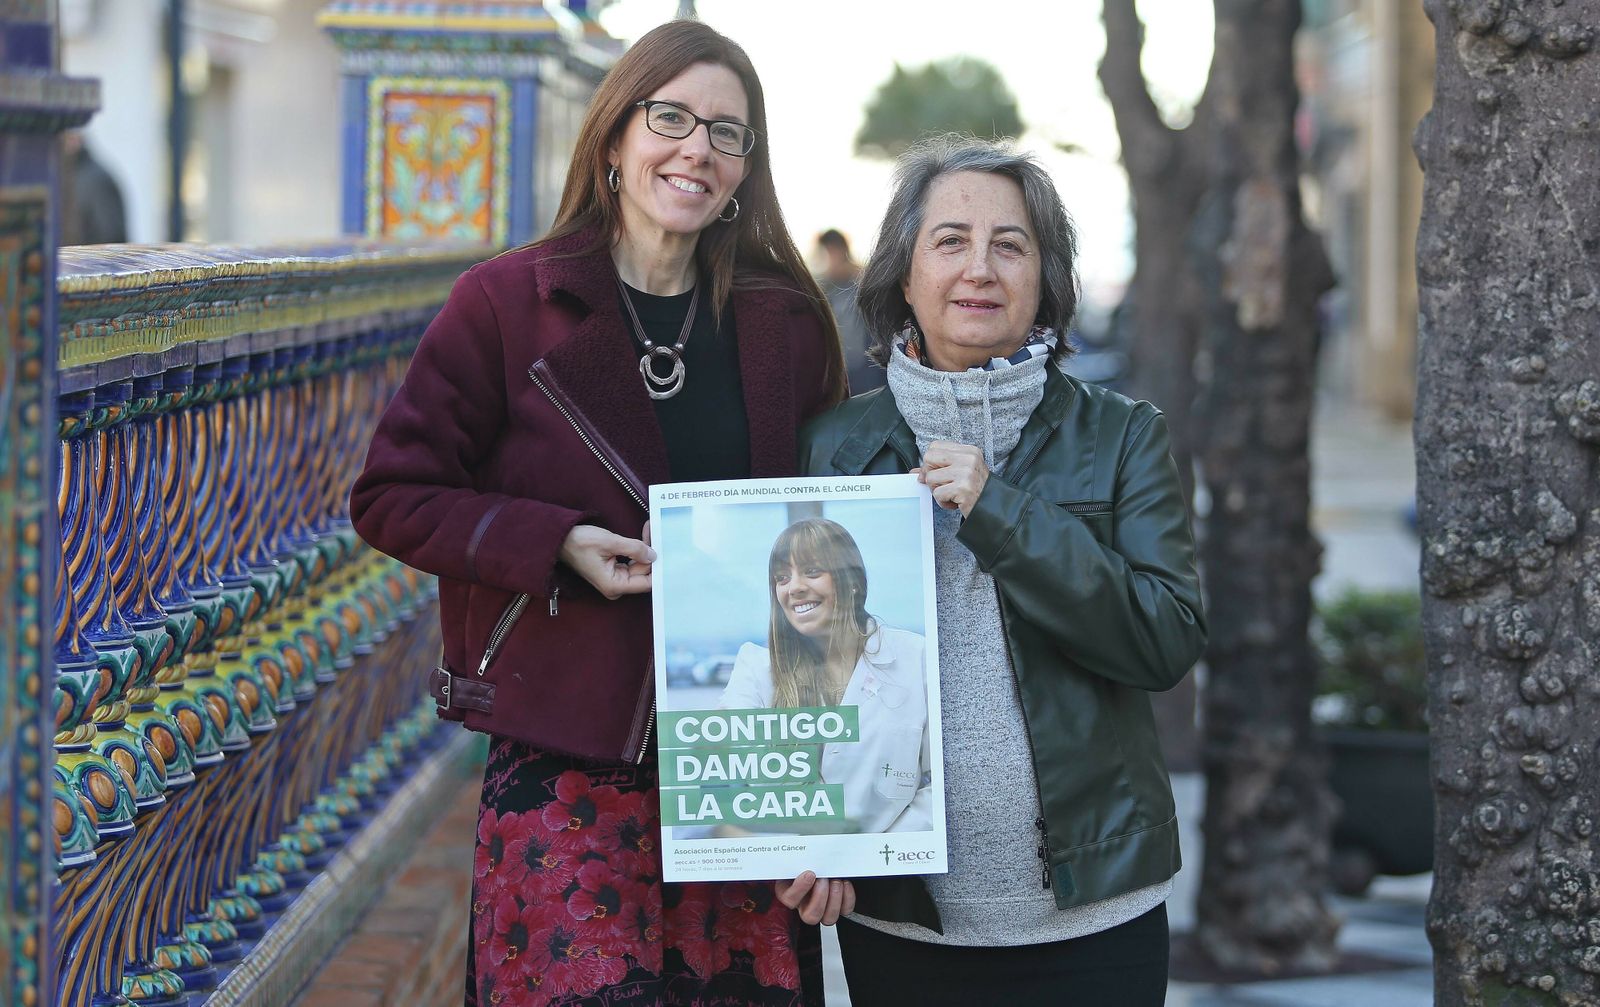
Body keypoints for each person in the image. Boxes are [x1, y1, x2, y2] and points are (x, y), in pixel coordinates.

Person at [349, 20, 846, 1007]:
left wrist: (835, 813)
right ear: (615, 136)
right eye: (671, 117)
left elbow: (834, 532)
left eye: (726, 132)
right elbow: (390, 495)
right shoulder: (504, 304)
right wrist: (556, 542)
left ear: (746, 167)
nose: (696, 148)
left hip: (748, 765)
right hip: (566, 767)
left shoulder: (785, 324)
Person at [783, 135, 1207, 1005]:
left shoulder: (1122, 435)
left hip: (1096, 916)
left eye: (1010, 244)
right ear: (903, 274)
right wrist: (808, 837)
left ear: (1045, 279)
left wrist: (999, 512)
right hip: (905, 919)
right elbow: (804, 680)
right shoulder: (833, 446)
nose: (980, 267)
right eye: (950, 241)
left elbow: (1163, 641)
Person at [718, 518, 930, 834]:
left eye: (813, 571)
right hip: (789, 868)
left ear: (853, 581)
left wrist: (864, 859)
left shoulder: (917, 657)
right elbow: (724, 783)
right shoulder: (755, 669)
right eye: (781, 577)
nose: (795, 587)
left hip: (890, 869)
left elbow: (938, 785)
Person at [815, 229, 882, 394]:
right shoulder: (825, 288)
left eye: (830, 253)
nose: (827, 261)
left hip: (868, 370)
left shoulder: (863, 281)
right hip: (843, 371)